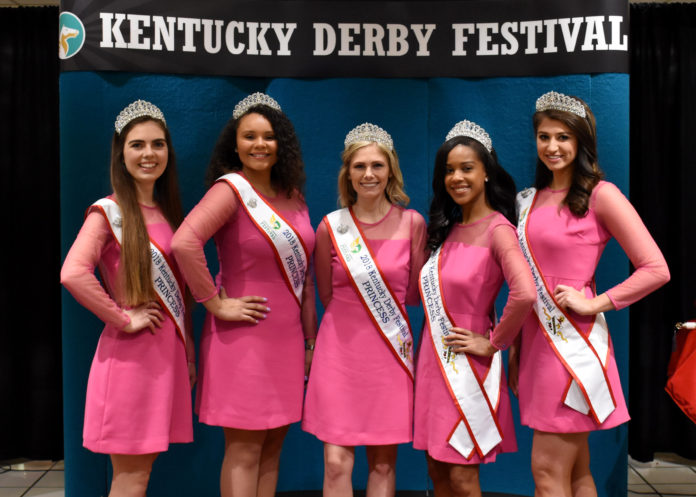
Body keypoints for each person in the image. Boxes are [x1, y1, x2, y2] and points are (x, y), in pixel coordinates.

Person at [510, 91, 670, 497]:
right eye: (544, 137)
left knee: (547, 473)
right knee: (577, 471)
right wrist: (516, 347)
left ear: (581, 141)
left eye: (563, 137)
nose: (552, 147)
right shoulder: (529, 201)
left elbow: (656, 268)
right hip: (537, 344)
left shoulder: (602, 195)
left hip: (572, 349)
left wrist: (596, 302)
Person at [171, 92, 315, 497]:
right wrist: (214, 303)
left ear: (280, 143)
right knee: (245, 450)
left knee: (273, 449)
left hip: (286, 341)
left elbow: (305, 279)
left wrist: (309, 340)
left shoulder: (294, 197)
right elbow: (185, 242)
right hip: (244, 340)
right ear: (234, 144)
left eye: (268, 137)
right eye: (249, 136)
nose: (259, 145)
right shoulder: (230, 191)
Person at [61, 100, 194, 497]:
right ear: (121, 152)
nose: (149, 154)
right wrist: (122, 318)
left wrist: (187, 357)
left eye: (157, 144)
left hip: (163, 359)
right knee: (131, 477)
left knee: (143, 471)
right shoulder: (108, 213)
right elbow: (72, 273)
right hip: (129, 360)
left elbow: (181, 292)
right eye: (137, 145)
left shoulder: (166, 212)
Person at [302, 123, 426, 497]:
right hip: (339, 353)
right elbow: (325, 292)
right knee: (336, 463)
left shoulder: (412, 223)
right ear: (348, 173)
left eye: (377, 165)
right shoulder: (330, 227)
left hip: (389, 355)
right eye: (359, 166)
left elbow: (415, 296)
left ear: (391, 170)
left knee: (383, 463)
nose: (368, 174)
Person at [413, 120, 536, 497]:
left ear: (486, 172)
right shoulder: (447, 228)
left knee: (463, 475)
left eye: (467, 168)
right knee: (437, 469)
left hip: (468, 365)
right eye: (449, 170)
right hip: (434, 357)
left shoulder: (499, 229)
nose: (456, 177)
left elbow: (525, 294)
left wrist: (494, 343)